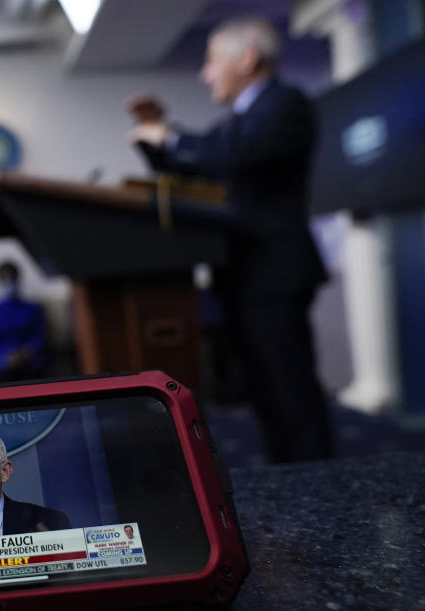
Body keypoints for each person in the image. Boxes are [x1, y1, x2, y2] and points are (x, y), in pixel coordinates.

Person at [127, 17, 333, 463]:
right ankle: (292, 476)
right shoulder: (244, 117)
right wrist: (157, 136)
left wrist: (171, 137)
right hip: (247, 272)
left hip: (274, 271)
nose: (205, 73)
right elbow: (196, 160)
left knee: (290, 389)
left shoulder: (284, 103)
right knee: (267, 392)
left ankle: (321, 481)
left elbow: (230, 155)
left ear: (248, 59)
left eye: (212, 61)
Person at [0, 261, 47, 381]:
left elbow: (39, 337)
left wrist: (26, 351)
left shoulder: (33, 308)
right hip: (3, 361)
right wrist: (8, 355)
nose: (9, 283)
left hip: (30, 359)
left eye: (11, 278)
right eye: (4, 279)